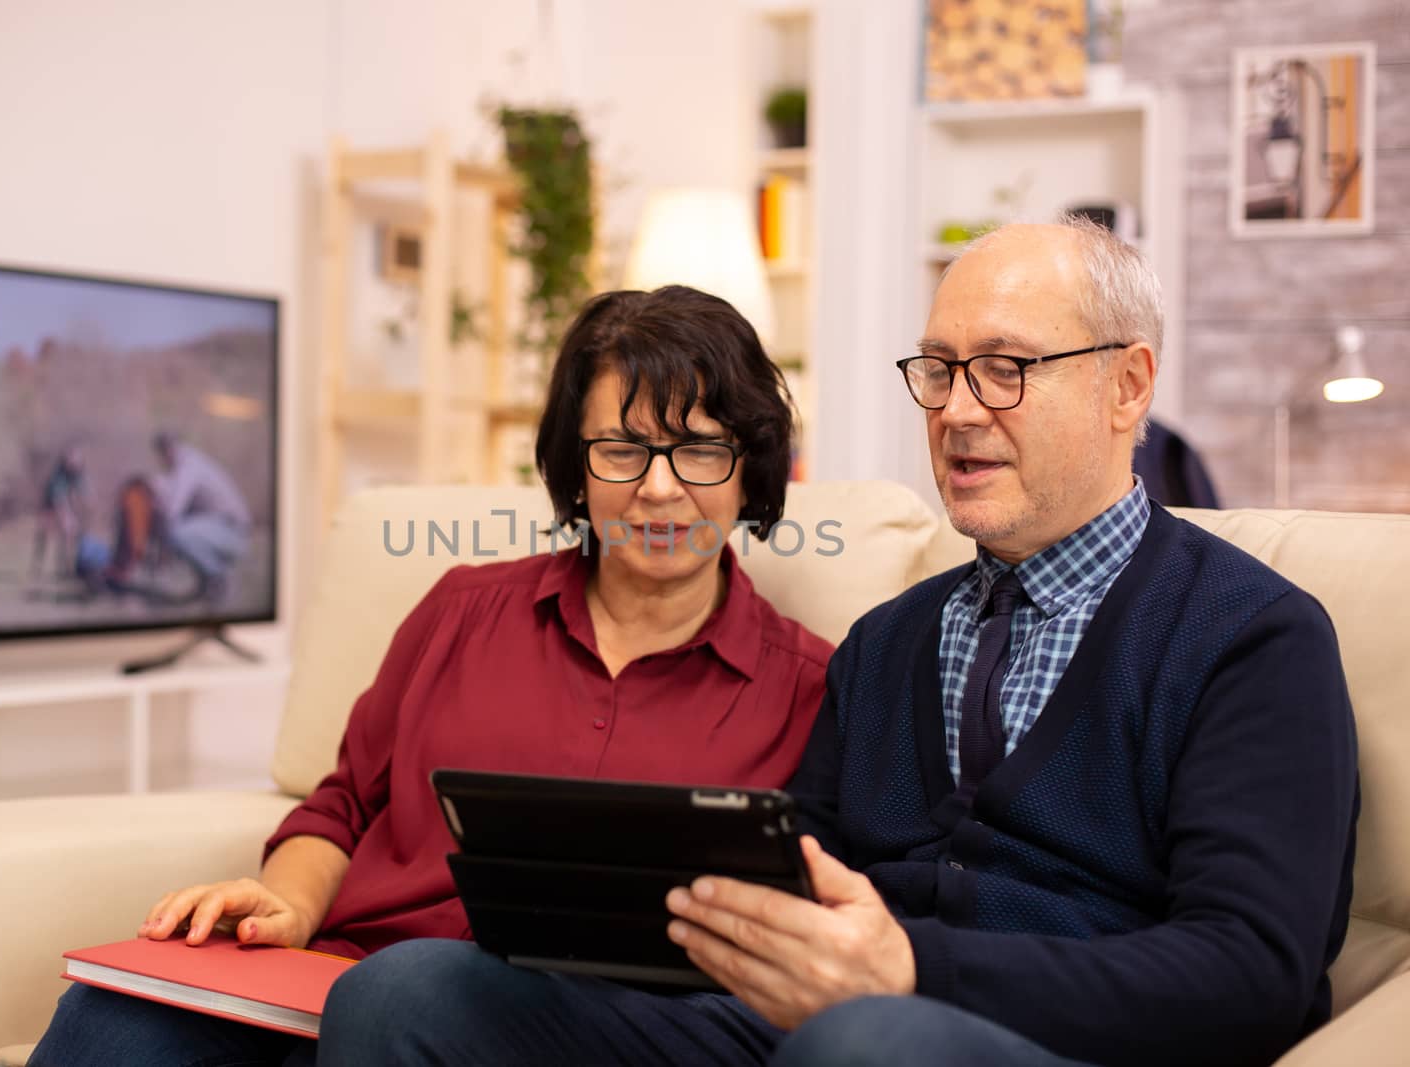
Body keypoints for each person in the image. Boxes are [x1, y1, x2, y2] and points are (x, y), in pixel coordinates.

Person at [324, 219, 1359, 1067]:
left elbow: (1253, 971)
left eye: (1001, 370)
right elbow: (799, 871)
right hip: (800, 1024)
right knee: (408, 992)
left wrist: (906, 970)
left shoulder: (1251, 636)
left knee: (864, 1041)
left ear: (1126, 384)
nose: (955, 410)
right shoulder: (886, 640)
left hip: (1040, 1039)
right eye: (939, 370)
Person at [25, 284, 834, 1067]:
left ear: (749, 465)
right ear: (576, 469)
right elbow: (341, 803)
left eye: (697, 449)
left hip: (557, 1029)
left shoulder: (808, 689)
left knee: (403, 992)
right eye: (622, 450)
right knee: (115, 1009)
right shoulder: (462, 611)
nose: (659, 488)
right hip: (331, 988)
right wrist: (291, 903)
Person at [149, 432, 252, 601]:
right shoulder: (187, 463)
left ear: (167, 449)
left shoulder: (188, 466)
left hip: (232, 532)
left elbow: (173, 510)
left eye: (162, 452)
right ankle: (206, 585)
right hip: (220, 529)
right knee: (182, 531)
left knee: (177, 534)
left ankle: (219, 578)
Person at [30, 443, 90, 577]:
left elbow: (85, 493)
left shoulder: (78, 474)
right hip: (49, 506)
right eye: (72, 459)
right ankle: (37, 567)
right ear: (66, 460)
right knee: (44, 536)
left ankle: (64, 568)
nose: (75, 462)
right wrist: (68, 517)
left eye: (78, 459)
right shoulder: (58, 475)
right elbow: (59, 499)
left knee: (68, 536)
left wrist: (84, 511)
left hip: (66, 505)